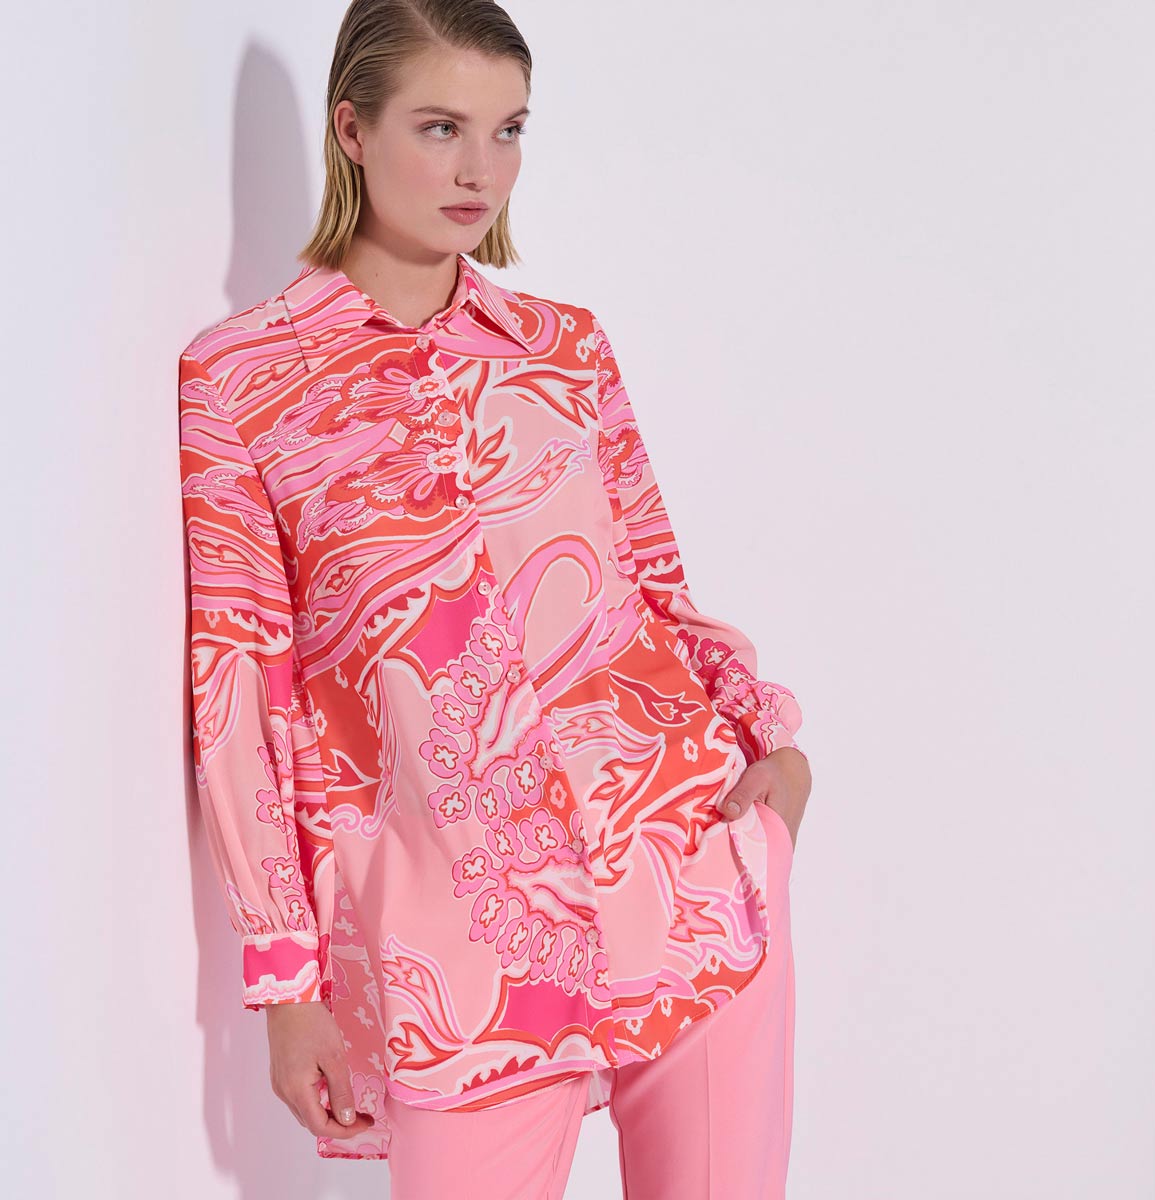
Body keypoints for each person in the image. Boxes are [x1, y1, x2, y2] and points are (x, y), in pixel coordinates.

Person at [178, 0, 813, 1195]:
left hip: (679, 867)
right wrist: (284, 982)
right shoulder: (241, 379)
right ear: (352, 130)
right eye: (441, 128)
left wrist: (770, 751)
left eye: (508, 129)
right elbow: (237, 687)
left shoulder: (565, 348)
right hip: (457, 947)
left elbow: (651, 585)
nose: (482, 169)